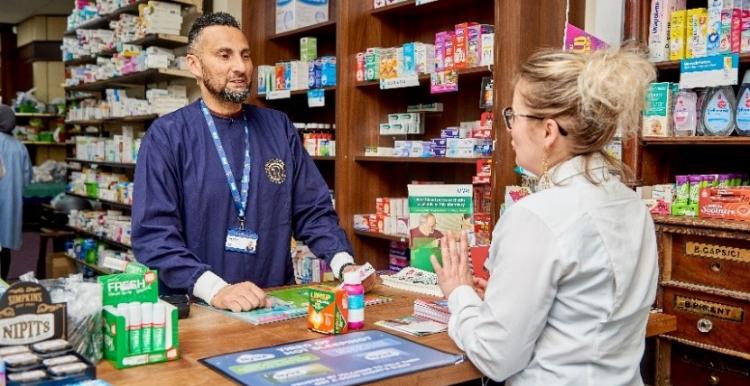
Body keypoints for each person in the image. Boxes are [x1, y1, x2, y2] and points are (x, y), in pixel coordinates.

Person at [431, 48, 659, 386]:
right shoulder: (632, 205)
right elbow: (587, 310)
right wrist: (511, 296)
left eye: (514, 116)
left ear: (548, 131)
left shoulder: (536, 216)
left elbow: (496, 357)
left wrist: (459, 293)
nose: (509, 129)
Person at [132, 12, 374, 313]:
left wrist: (344, 264)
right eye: (225, 55)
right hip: (199, 308)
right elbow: (154, 236)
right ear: (194, 64)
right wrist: (217, 290)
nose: (240, 67)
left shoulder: (278, 127)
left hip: (274, 302)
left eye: (245, 56)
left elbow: (313, 210)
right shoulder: (167, 136)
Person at [0, 104, 32, 279]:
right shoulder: (19, 147)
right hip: (11, 204)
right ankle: (2, 284)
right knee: (5, 246)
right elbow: (27, 179)